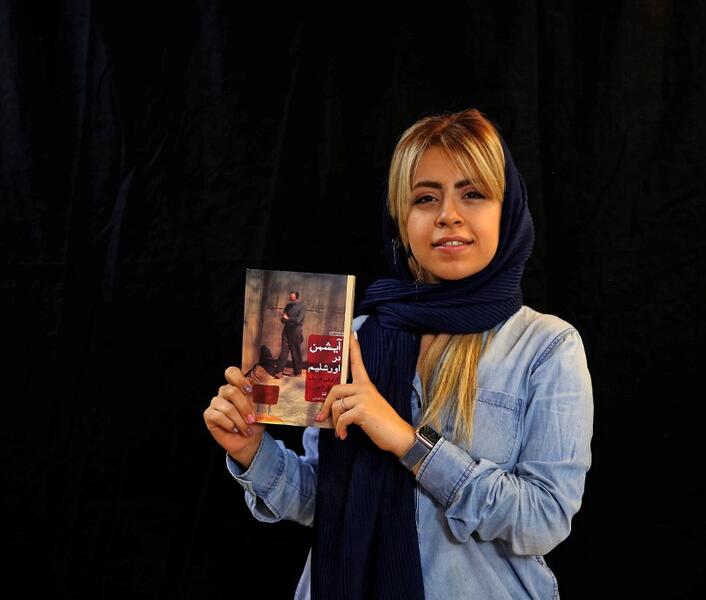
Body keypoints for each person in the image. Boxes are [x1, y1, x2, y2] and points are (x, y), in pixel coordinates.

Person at [203, 108, 594, 599]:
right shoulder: (354, 337)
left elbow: (543, 519)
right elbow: (326, 504)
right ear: (402, 220)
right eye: (426, 198)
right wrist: (252, 452)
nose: (448, 214)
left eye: (473, 193)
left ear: (507, 210)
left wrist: (409, 443)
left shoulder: (547, 347)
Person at [273, 290, 306, 378]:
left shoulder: (302, 307)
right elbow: (282, 319)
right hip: (286, 330)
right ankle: (279, 371)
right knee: (284, 351)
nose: (291, 301)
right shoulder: (288, 306)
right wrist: (286, 319)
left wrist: (287, 319)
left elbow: (298, 321)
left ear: (297, 298)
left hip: (296, 331)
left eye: (293, 299)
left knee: (295, 351)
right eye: (290, 299)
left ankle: (298, 372)